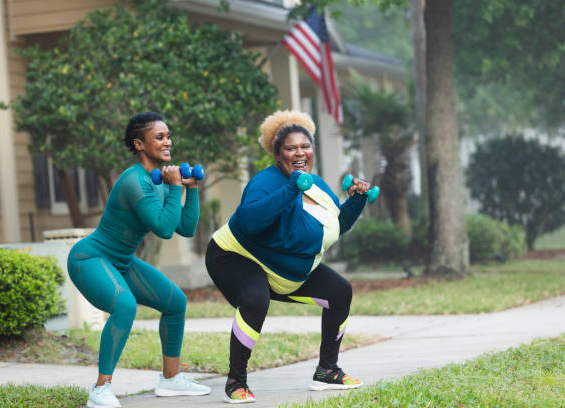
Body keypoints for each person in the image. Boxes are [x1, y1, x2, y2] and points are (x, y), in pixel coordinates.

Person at [205, 110, 370, 404]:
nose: (299, 153)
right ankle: (236, 382)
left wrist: (356, 200)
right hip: (234, 256)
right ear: (278, 154)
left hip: (284, 268)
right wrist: (291, 187)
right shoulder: (264, 182)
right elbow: (250, 220)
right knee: (256, 299)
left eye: (305, 146)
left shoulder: (315, 185)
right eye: (290, 148)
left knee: (340, 292)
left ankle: (327, 371)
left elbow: (334, 227)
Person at [67, 112, 210, 408]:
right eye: (159, 137)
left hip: (121, 260)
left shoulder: (158, 180)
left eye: (168, 135)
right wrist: (174, 187)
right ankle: (100, 389)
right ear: (139, 144)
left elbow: (183, 227)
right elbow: (162, 228)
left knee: (176, 303)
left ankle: (170, 380)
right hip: (90, 257)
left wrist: (191, 188)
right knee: (124, 304)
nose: (168, 142)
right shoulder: (134, 180)